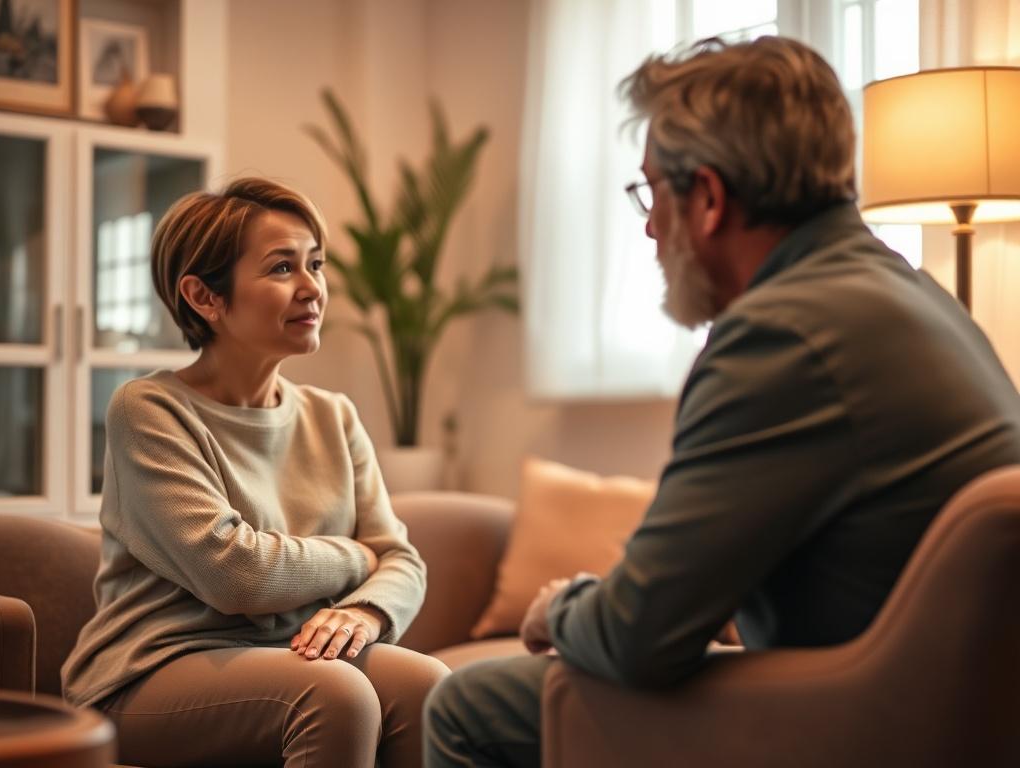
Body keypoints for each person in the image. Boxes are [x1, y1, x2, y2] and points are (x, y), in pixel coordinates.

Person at [423, 36, 1020, 767]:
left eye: (650, 194)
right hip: (947, 711)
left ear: (706, 198)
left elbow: (639, 639)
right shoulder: (912, 294)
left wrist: (563, 606)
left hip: (858, 721)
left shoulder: (780, 335)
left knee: (467, 706)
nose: (647, 227)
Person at [62, 177, 448, 768]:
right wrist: (354, 556)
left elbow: (402, 559)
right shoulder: (148, 411)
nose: (312, 288)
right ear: (204, 297)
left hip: (288, 652)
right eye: (281, 268)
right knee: (336, 694)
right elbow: (236, 574)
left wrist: (365, 611)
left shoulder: (333, 415)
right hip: (150, 670)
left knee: (433, 689)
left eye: (315, 264)